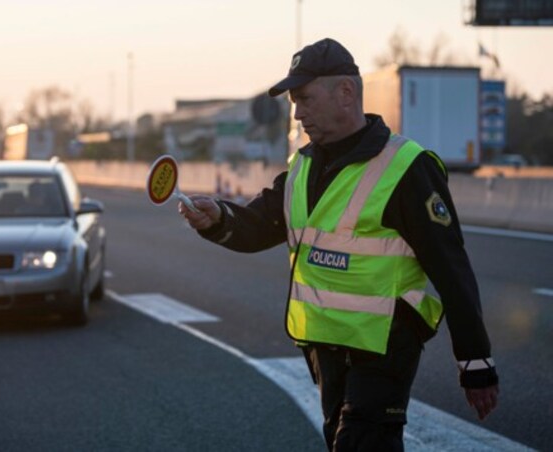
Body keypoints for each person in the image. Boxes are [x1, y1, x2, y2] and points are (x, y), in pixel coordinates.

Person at [178, 38, 499, 451]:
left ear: (346, 93)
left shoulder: (407, 168)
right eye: (295, 101)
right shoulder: (303, 166)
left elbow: (451, 268)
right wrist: (219, 218)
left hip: (384, 346)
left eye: (306, 98)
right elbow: (260, 224)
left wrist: (476, 363)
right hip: (324, 348)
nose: (298, 113)